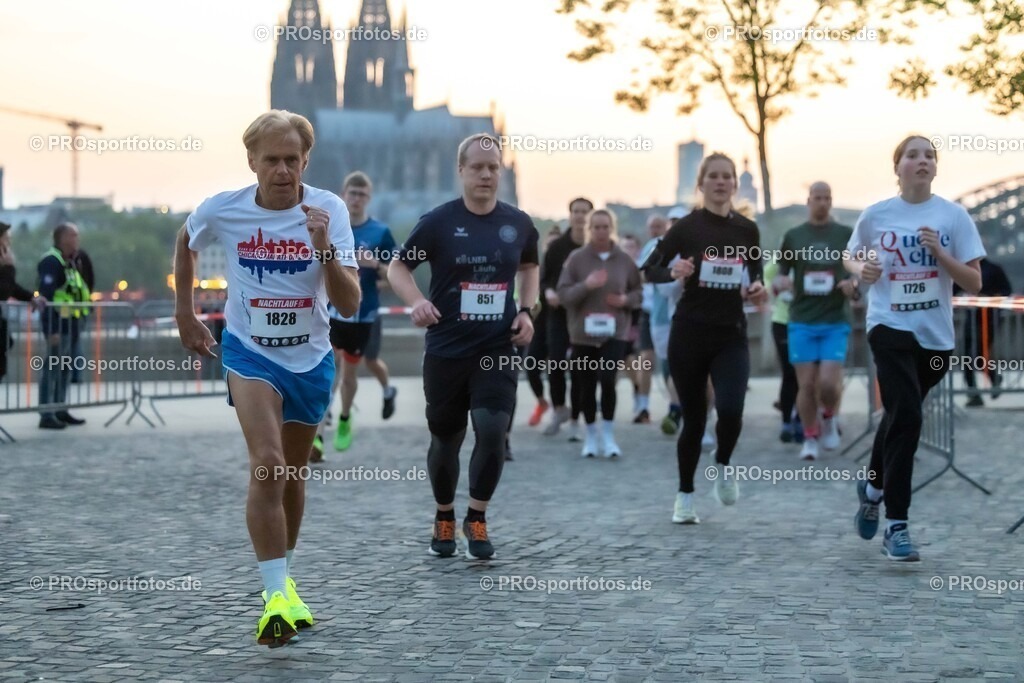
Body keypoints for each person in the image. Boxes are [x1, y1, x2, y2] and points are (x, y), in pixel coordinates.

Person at [174, 110, 360, 645]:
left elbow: (348, 304)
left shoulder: (328, 209)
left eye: (292, 160)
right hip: (249, 354)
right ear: (251, 160)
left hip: (311, 357)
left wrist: (324, 249)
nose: (283, 170)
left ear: (306, 160)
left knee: (295, 476)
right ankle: (273, 594)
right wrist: (185, 313)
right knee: (268, 464)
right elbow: (184, 240)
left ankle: (286, 577)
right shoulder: (224, 209)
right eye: (272, 160)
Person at [388, 133, 539, 561]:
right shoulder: (437, 222)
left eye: (493, 168)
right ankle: (443, 515)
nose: (487, 175)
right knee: (446, 439)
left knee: (492, 431)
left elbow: (530, 267)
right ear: (461, 171)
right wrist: (417, 301)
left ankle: (477, 517)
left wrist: (526, 311)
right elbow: (399, 267)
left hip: (497, 348)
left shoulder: (520, 223)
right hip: (447, 350)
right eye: (478, 167)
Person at [845, 135, 984, 562]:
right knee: (908, 415)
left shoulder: (953, 216)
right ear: (898, 166)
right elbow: (850, 257)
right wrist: (861, 268)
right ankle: (897, 526)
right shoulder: (877, 215)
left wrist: (940, 253)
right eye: (913, 155)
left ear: (935, 169)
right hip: (889, 325)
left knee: (899, 416)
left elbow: (974, 283)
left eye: (929, 156)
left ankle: (871, 488)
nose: (922, 161)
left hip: (936, 337)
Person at [642, 153, 767, 524]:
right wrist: (672, 271)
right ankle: (685, 496)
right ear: (702, 184)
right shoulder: (686, 228)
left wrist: (757, 288)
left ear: (735, 184)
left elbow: (755, 271)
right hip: (689, 333)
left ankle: (724, 462)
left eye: (727, 176)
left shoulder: (747, 229)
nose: (720, 182)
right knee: (694, 421)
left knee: (730, 409)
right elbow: (649, 269)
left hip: (730, 334)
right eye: (713, 176)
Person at [312, 171, 398, 460]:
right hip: (333, 311)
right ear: (343, 194)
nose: (356, 199)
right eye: (352, 193)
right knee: (328, 373)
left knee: (349, 374)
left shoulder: (380, 233)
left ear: (368, 198)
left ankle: (346, 416)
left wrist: (375, 265)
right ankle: (319, 436)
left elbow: (397, 275)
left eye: (362, 195)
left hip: (363, 314)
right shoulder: (332, 227)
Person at [774, 182, 858, 460]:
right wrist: (781, 281)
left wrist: (851, 284)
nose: (822, 202)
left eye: (826, 198)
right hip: (802, 320)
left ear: (831, 201)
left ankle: (829, 417)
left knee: (828, 385)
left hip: (835, 319)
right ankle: (810, 437)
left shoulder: (845, 235)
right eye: (817, 198)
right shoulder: (794, 236)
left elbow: (856, 273)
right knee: (806, 385)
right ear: (808, 200)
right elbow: (780, 272)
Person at [556, 209, 643, 457]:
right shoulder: (576, 259)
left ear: (611, 228)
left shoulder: (624, 260)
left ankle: (608, 434)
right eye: (596, 227)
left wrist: (625, 299)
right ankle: (591, 435)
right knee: (585, 385)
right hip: (583, 333)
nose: (601, 231)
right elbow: (563, 295)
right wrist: (587, 285)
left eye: (605, 227)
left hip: (615, 332)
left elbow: (638, 292)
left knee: (607, 379)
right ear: (589, 229)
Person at [542, 198, 592, 440]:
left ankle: (576, 419)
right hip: (558, 315)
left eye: (584, 212)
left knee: (580, 368)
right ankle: (559, 409)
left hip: (585, 316)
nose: (580, 216)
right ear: (570, 215)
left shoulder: (596, 246)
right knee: (556, 364)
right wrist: (549, 292)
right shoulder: (558, 247)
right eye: (576, 212)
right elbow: (544, 279)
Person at [37, 223, 91, 429]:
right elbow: (46, 299)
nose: (78, 238)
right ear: (63, 238)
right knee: (51, 369)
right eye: (74, 235)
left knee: (65, 370)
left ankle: (60, 409)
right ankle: (46, 414)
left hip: (71, 325)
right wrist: (50, 330)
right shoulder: (52, 262)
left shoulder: (71, 261)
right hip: (58, 327)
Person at [955, 257, 1012, 407]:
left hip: (990, 319)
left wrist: (990, 299)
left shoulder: (993, 269)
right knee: (967, 355)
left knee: (981, 355)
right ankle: (973, 392)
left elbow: (1007, 290)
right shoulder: (965, 270)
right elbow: (954, 290)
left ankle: (993, 378)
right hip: (971, 318)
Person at [524, 227, 563, 427]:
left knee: (558, 369)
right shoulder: (535, 269)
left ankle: (561, 410)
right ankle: (542, 402)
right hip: (538, 325)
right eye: (550, 245)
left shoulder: (566, 270)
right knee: (531, 366)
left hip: (562, 325)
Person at [0, 222, 46, 380]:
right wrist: (9, 268)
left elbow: (10, 287)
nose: (9, 242)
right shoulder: (6, 265)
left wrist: (30, 297)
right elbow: (3, 292)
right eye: (6, 238)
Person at [764, 258, 802, 443]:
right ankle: (786, 422)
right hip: (782, 321)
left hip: (806, 321)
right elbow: (765, 278)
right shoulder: (776, 262)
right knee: (789, 372)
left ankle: (802, 419)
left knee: (806, 375)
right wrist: (774, 287)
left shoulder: (812, 258)